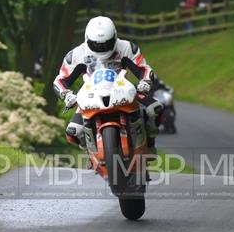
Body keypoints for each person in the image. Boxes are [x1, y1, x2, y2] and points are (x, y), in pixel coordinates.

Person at [53, 16, 162, 153]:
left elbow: (144, 69)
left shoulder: (127, 48)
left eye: (107, 43)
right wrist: (67, 95)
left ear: (115, 37)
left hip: (123, 90)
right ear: (87, 40)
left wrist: (145, 82)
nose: (101, 47)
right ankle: (89, 150)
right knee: (73, 132)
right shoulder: (76, 55)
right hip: (91, 95)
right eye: (96, 44)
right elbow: (60, 80)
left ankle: (149, 142)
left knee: (155, 109)